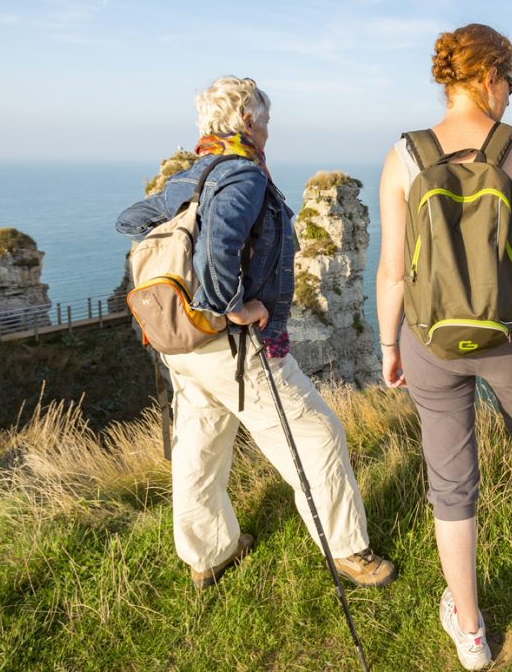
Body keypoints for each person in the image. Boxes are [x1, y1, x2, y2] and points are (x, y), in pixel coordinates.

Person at [116, 76, 395, 590]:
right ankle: (348, 552)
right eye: (265, 118)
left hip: (183, 346)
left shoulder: (191, 177)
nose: (269, 128)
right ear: (247, 120)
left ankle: (210, 553)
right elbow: (219, 245)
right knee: (317, 434)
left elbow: (131, 220)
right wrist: (231, 305)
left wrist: (183, 237)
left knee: (200, 445)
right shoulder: (242, 174)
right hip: (231, 346)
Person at [375, 25, 512, 669]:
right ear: (488, 77)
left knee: (452, 482)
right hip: (511, 332)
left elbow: (394, 271)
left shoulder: (404, 156)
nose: (510, 93)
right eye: (509, 81)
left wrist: (388, 345)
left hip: (431, 339)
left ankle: (472, 629)